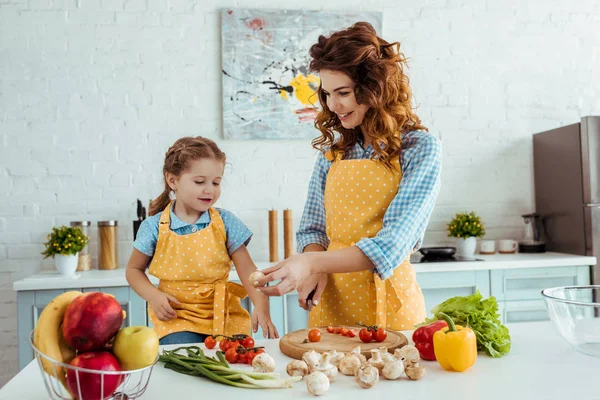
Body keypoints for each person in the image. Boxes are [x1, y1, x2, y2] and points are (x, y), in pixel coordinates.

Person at [256, 22, 442, 331]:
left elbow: (391, 246)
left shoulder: (419, 149)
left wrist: (309, 263)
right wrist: (315, 269)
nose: (333, 105)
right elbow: (314, 229)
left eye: (343, 93)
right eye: (327, 94)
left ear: (375, 89)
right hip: (330, 304)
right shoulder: (334, 152)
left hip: (391, 311)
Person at [126, 136, 278, 345]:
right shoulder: (153, 227)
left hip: (225, 315)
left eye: (216, 182)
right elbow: (133, 270)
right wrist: (153, 296)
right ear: (173, 181)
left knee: (237, 365)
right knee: (188, 367)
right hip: (178, 319)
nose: (210, 189)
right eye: (200, 182)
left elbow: (248, 270)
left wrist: (261, 303)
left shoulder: (225, 222)